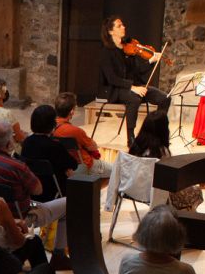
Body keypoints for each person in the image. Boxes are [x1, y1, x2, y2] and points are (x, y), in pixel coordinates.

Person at [99, 15, 170, 147]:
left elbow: (138, 71)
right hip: (117, 90)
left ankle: (156, 134)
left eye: (123, 24)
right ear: (110, 31)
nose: (123, 27)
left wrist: (151, 60)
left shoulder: (128, 48)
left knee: (165, 98)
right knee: (134, 98)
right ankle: (131, 138)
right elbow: (112, 78)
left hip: (136, 87)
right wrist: (132, 88)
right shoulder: (106, 52)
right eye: (119, 26)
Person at [20, 102, 82, 193]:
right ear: (52, 124)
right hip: (53, 192)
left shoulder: (27, 142)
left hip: (32, 191)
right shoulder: (55, 146)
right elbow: (73, 164)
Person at [49, 92, 112, 178]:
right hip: (84, 165)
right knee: (117, 170)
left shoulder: (49, 128)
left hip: (63, 166)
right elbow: (93, 147)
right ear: (71, 112)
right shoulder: (75, 131)